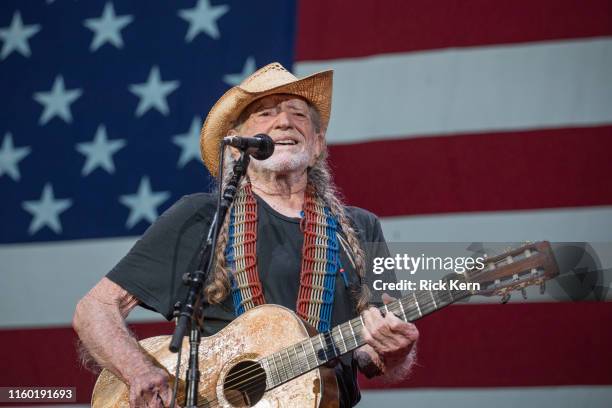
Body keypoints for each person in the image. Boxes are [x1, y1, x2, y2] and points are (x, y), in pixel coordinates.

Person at [73, 62, 419, 407]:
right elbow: (95, 309)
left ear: (317, 145)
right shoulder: (199, 217)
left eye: (298, 115)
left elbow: (376, 355)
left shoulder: (361, 227)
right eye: (266, 113)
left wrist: (396, 351)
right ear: (238, 146)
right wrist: (139, 371)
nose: (284, 121)